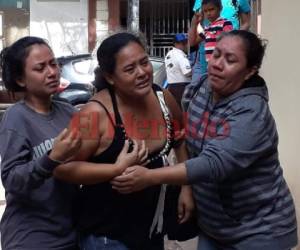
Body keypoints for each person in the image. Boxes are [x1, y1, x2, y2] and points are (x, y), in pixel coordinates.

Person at [110, 30, 298, 250]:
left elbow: (213, 163)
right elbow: (185, 137)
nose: (217, 64)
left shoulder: (251, 111)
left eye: (230, 60)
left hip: (260, 230)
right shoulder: (200, 88)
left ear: (250, 71)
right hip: (213, 226)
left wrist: (150, 176)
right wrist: (186, 188)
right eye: (216, 54)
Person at [53, 32, 194, 250]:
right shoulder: (94, 113)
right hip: (106, 236)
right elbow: (62, 168)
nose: (142, 73)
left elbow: (180, 138)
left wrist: (186, 187)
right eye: (130, 69)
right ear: (110, 77)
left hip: (151, 230)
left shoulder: (163, 98)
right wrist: (115, 169)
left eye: (144, 62)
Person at [0, 36, 82, 250]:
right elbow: (11, 180)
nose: (52, 72)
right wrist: (52, 158)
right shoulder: (16, 118)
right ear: (20, 79)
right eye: (40, 68)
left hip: (71, 233)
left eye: (53, 64)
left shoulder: (69, 111)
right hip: (31, 238)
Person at [189, 0, 251, 85]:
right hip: (205, 61)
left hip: (223, 63)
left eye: (211, 10)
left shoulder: (225, 24)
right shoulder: (208, 29)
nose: (208, 14)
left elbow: (245, 23)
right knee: (199, 91)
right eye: (205, 11)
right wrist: (194, 24)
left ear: (220, 9)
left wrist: (235, 39)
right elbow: (192, 42)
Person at [164, 33, 192, 106]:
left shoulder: (169, 54)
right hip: (182, 88)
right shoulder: (180, 55)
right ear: (175, 44)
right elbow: (188, 72)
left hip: (171, 88)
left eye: (186, 42)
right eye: (182, 43)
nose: (185, 45)